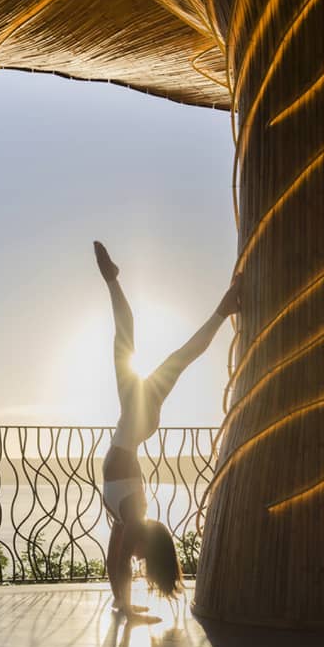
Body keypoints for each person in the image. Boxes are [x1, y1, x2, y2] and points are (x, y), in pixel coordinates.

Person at [93, 241, 238, 617]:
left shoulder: (132, 519)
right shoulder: (137, 513)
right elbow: (121, 557)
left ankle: (221, 308)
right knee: (149, 344)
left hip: (124, 449)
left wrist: (121, 603)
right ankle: (113, 281)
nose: (139, 560)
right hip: (128, 442)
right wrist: (125, 606)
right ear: (149, 545)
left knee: (159, 348)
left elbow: (116, 556)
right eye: (146, 558)